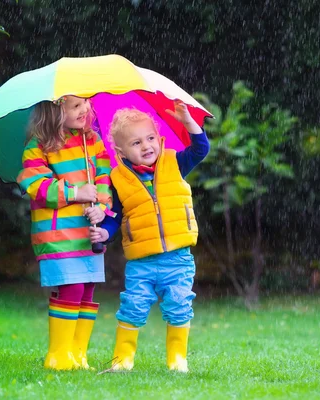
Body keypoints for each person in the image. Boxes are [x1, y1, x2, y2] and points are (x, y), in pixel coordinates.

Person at [97, 102, 209, 372]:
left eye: (150, 138)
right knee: (133, 306)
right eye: (136, 143)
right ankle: (123, 359)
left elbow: (201, 149)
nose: (146, 146)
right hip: (141, 262)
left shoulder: (174, 163)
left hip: (178, 258)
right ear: (121, 151)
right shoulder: (118, 179)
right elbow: (115, 216)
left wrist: (187, 121)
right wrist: (104, 233)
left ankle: (177, 359)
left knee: (179, 305)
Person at [17, 96, 113, 370]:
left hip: (88, 232)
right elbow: (36, 186)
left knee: (88, 288)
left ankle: (77, 355)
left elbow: (104, 178)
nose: (86, 109)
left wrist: (102, 210)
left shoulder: (92, 141)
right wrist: (76, 193)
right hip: (58, 233)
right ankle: (58, 355)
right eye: (76, 106)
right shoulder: (38, 147)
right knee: (73, 286)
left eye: (86, 103)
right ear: (55, 111)